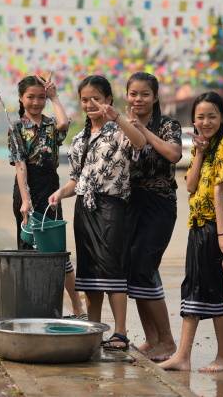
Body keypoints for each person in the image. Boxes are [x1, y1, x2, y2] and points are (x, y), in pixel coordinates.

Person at [49, 75, 146, 351]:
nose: (90, 104)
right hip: (85, 209)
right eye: (84, 99)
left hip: (113, 208)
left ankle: (120, 332)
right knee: (89, 274)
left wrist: (118, 118)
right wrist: (60, 193)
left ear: (108, 101)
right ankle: (93, 330)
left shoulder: (121, 130)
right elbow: (75, 178)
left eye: (96, 99)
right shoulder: (79, 138)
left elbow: (140, 143)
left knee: (113, 270)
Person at [160, 91, 223, 372]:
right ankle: (183, 356)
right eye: (200, 117)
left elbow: (218, 191)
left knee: (215, 289)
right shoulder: (201, 146)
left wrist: (221, 233)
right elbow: (190, 185)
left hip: (216, 226)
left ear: (222, 117)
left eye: (212, 116)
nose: (206, 122)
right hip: (198, 224)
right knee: (193, 287)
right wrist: (200, 151)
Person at [8, 74, 85, 319]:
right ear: (21, 98)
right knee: (28, 247)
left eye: (41, 97)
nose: (36, 102)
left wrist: (54, 96)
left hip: (51, 189)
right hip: (26, 189)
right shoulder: (16, 128)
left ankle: (76, 304)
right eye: (31, 97)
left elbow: (64, 123)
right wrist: (26, 200)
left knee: (56, 250)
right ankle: (32, 306)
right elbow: (20, 165)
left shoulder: (51, 125)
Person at [125, 72, 182, 361]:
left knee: (145, 267)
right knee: (135, 271)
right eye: (133, 94)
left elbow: (173, 155)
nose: (138, 99)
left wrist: (144, 131)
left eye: (144, 94)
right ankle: (152, 339)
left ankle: (168, 342)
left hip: (159, 203)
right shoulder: (120, 124)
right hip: (130, 204)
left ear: (155, 97)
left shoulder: (168, 124)